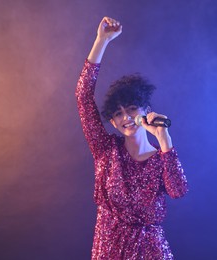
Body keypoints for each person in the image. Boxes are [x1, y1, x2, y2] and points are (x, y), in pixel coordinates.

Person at [75, 17, 188, 259]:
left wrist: (164, 139)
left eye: (132, 109)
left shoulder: (160, 159)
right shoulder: (106, 150)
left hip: (150, 248)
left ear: (145, 110)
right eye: (118, 113)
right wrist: (101, 40)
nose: (126, 117)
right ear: (113, 122)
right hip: (110, 248)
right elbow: (83, 98)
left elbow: (178, 190)